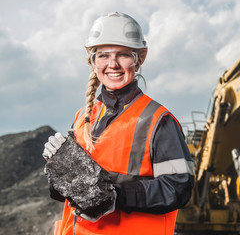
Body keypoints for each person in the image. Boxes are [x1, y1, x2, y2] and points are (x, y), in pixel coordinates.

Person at [42, 12, 194, 235]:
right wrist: (57, 174)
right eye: (103, 55)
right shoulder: (82, 118)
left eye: (123, 55)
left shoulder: (158, 121)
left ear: (139, 59)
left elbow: (178, 187)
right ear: (93, 62)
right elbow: (68, 194)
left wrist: (114, 196)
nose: (112, 64)